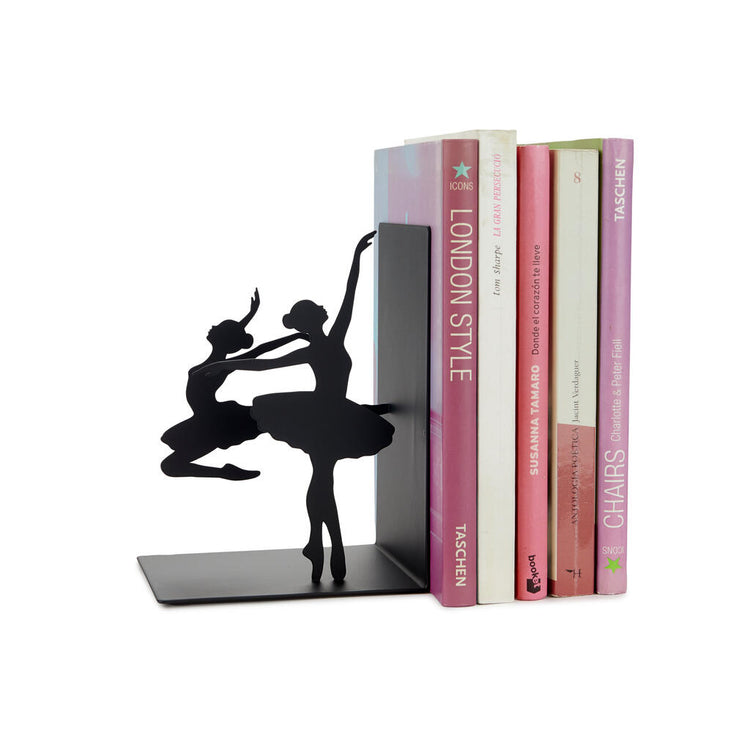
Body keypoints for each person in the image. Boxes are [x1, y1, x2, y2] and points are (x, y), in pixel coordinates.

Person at [198, 231, 393, 582]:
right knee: (323, 478)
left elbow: (350, 295)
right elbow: (265, 365)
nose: (322, 311)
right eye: (314, 310)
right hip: (324, 416)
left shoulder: (331, 340)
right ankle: (328, 545)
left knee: (322, 478)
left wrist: (357, 257)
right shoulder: (319, 347)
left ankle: (320, 544)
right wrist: (227, 364)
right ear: (312, 320)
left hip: (331, 414)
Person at [161, 289, 306, 480]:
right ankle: (225, 472)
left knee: (170, 465)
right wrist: (250, 315)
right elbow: (233, 338)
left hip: (213, 421)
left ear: (223, 339)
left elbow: (258, 350)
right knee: (169, 466)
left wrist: (295, 337)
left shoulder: (219, 367)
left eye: (219, 327)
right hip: (205, 419)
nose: (213, 326)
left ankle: (225, 473)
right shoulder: (217, 362)